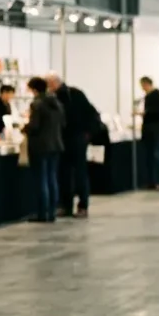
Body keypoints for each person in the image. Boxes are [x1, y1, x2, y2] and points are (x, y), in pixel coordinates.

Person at [48, 73, 99, 218]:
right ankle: (77, 206)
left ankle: (71, 206)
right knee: (74, 173)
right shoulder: (74, 94)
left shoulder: (61, 97)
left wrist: (87, 134)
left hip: (71, 138)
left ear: (54, 83)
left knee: (70, 173)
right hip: (75, 139)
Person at [22, 76, 64, 223]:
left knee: (41, 180)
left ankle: (42, 213)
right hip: (56, 144)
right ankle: (52, 212)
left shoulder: (37, 104)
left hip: (40, 146)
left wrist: (24, 128)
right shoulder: (56, 103)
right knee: (52, 178)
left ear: (34, 89)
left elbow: (34, 126)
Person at [139, 77, 159, 191]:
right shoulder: (147, 97)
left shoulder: (158, 95)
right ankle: (152, 181)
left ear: (147, 84)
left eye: (143, 86)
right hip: (148, 131)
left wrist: (145, 113)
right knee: (149, 156)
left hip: (158, 130)